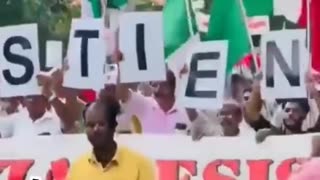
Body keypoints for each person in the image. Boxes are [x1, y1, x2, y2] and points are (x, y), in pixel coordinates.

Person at [67, 99, 157, 180]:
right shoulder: (76, 168)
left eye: (101, 124)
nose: (96, 129)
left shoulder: (140, 165)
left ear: (113, 126)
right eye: (91, 125)